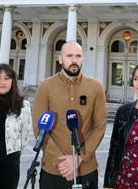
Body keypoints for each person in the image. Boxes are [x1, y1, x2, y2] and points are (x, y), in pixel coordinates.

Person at [33, 41, 107, 189]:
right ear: (60, 59)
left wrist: (79, 157)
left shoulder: (96, 87)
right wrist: (61, 162)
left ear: (82, 58)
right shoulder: (45, 87)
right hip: (53, 172)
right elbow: (39, 128)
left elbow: (99, 127)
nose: (74, 60)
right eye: (69, 56)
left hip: (86, 170)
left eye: (78, 56)